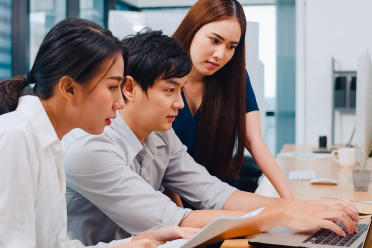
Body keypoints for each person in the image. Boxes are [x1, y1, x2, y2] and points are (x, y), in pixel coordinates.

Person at [62, 28, 360, 247]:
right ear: (129, 87)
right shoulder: (91, 147)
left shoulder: (160, 135)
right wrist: (282, 213)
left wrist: (298, 207)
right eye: (169, 91)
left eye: (181, 90)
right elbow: (173, 219)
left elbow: (214, 193)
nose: (179, 103)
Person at [0, 18, 197, 248]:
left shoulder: (50, 145)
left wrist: (138, 242)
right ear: (69, 88)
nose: (120, 102)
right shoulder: (16, 137)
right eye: (112, 87)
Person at [171, 0, 293, 198]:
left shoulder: (235, 78)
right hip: (172, 203)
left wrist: (290, 200)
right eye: (214, 40)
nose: (220, 54)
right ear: (192, 29)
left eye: (231, 46)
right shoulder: (160, 78)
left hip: (222, 199)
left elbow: (253, 140)